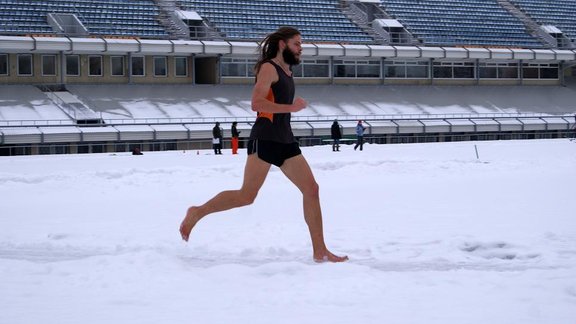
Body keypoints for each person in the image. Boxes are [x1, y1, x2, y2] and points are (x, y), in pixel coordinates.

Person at [179, 27, 348, 263]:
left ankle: (320, 250)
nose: (301, 48)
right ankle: (197, 212)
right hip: (265, 139)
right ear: (282, 44)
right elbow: (257, 103)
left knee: (312, 189)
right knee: (246, 196)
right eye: (297, 44)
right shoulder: (268, 68)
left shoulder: (287, 71)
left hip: (285, 140)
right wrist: (291, 108)